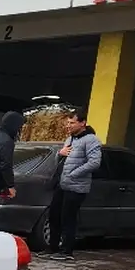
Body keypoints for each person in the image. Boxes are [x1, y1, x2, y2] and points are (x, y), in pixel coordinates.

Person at [50, 108, 102, 260]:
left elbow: (94, 163)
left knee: (68, 218)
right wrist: (59, 154)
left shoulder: (91, 140)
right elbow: (61, 160)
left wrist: (74, 174)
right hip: (62, 184)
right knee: (54, 215)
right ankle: (52, 247)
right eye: (67, 123)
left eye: (72, 123)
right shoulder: (70, 139)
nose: (68, 126)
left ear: (83, 123)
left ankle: (67, 251)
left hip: (76, 186)